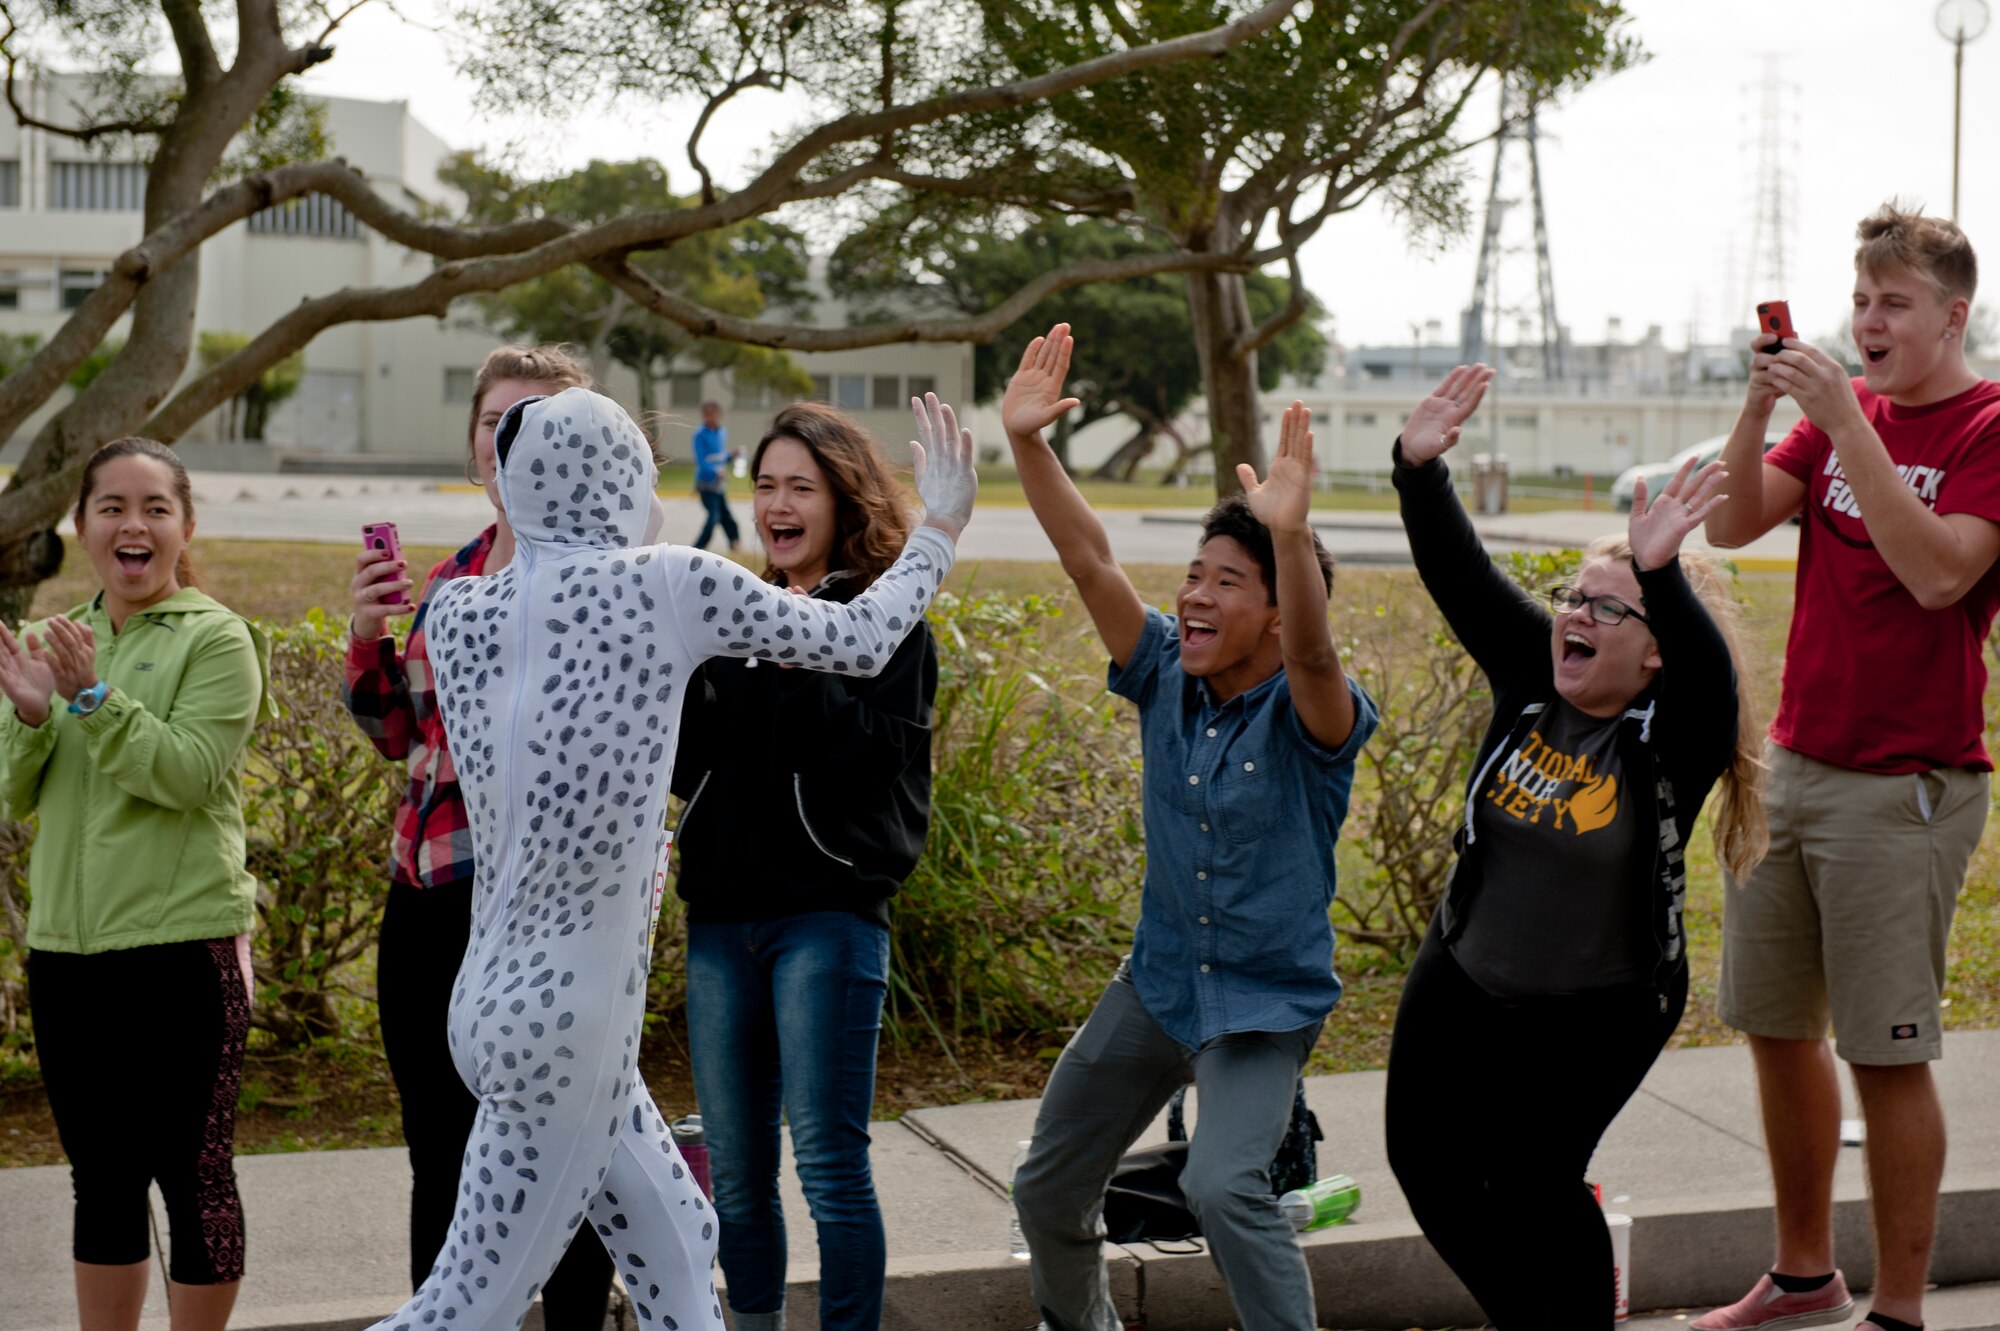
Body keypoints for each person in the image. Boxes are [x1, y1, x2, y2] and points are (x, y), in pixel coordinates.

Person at [367, 385, 976, 1331]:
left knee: (682, 1238)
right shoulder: (663, 582)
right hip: (568, 1022)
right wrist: (938, 525)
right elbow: (858, 639)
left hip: (487, 1000)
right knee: (462, 1308)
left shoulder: (457, 613)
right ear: (615, 480)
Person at [998, 323, 1377, 1331]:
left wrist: (1289, 537)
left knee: (1221, 1186)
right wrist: (1028, 444)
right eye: (1195, 574)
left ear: (1272, 614)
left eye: (1225, 581)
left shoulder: (1312, 714)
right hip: (1159, 980)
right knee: (1045, 1182)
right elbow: (1088, 561)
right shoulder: (1166, 668)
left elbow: (1311, 656)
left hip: (1260, 1002)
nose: (1194, 594)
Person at [1381, 365, 1762, 1330]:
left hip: (1600, 1006)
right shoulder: (1530, 681)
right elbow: (1461, 575)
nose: (1573, 617)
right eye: (1571, 597)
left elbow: (1712, 678)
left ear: (1654, 649)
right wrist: (1419, 468)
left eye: (1605, 608)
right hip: (1466, 966)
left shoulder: (1675, 734)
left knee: (1534, 1178)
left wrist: (1664, 574)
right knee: (1425, 1163)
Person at [1698, 203, 2000, 1331]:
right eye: (1859, 299)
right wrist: (1758, 404)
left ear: (1949, 314)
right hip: (1792, 760)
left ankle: (1901, 1306)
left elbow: (1935, 576)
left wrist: (1849, 425)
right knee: (1774, 1027)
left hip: (1905, 783)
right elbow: (1730, 525)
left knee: (1883, 1047)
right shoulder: (1834, 417)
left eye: (1892, 303)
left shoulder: (1984, 425)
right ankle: (1798, 1274)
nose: (1866, 322)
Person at [344, 344, 617, 1328]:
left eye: (538, 418)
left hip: (534, 916)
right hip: (422, 902)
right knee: (439, 1149)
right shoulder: (453, 574)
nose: (513, 438)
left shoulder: (604, 579)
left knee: (561, 1151)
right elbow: (403, 738)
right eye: (495, 420)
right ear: (473, 445)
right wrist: (368, 632)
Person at [671, 402, 939, 1331]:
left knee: (829, 1166)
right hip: (719, 924)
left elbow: (872, 765)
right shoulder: (731, 611)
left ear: (841, 499)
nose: (776, 505)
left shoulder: (885, 620)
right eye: (765, 486)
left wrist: (804, 661)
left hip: (826, 920)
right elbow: (684, 769)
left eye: (800, 487)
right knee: (737, 1178)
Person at [0, 438, 273, 1331]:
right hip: (68, 956)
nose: (134, 523)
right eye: (112, 505)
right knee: (102, 1178)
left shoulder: (217, 637)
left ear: (185, 526)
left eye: (155, 507)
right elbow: (13, 790)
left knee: (193, 1172)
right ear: (83, 526)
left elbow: (190, 772)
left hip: (183, 950)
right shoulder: (55, 640)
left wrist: (91, 700)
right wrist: (36, 715)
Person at [693, 399, 743, 552]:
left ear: (719, 415)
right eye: (707, 414)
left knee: (725, 515)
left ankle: (735, 542)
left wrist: (731, 456)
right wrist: (715, 472)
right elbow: (702, 460)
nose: (710, 417)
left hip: (719, 484)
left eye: (713, 414)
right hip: (706, 483)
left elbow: (719, 456)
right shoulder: (699, 435)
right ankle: (698, 547)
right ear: (703, 416)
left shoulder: (722, 432)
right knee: (714, 516)